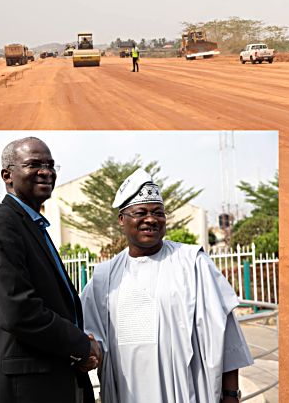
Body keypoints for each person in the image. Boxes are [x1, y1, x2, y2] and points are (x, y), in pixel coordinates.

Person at [81, 170, 254, 403]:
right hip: (126, 394)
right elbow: (91, 339)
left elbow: (226, 335)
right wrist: (90, 353)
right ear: (122, 219)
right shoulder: (104, 277)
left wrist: (231, 394)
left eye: (158, 213)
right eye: (141, 212)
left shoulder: (193, 263)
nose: (151, 219)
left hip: (187, 392)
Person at [0, 137, 100, 403]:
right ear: (8, 175)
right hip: (22, 389)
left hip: (49, 382)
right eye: (34, 164)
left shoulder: (34, 226)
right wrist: (80, 345)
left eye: (51, 165)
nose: (46, 171)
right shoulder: (2, 223)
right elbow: (18, 310)